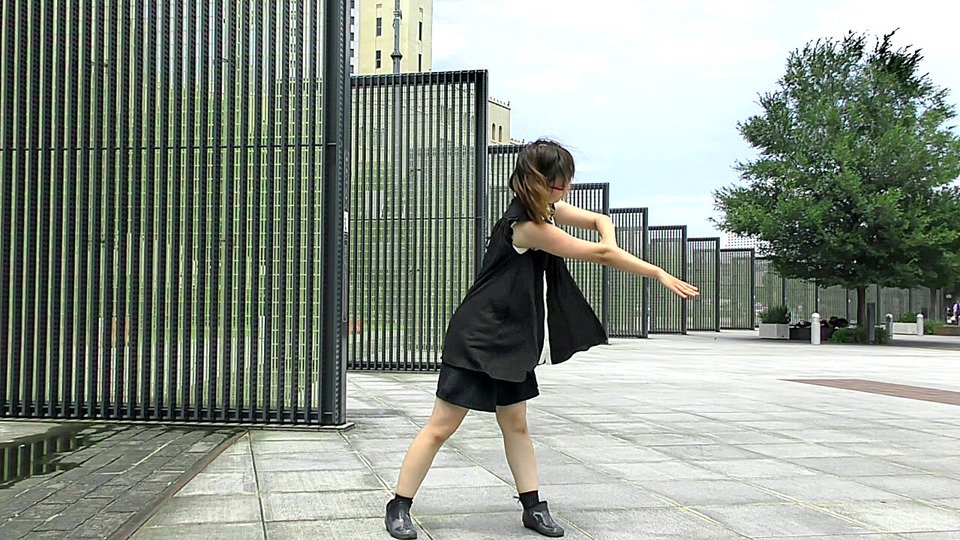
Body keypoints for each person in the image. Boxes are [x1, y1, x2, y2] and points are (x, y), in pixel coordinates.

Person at [384, 139, 699, 539]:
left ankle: (532, 507)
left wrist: (608, 237)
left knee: (515, 424)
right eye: (559, 181)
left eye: (566, 181)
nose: (565, 188)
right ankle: (399, 505)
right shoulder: (528, 226)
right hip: (478, 336)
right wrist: (656, 272)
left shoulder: (547, 210)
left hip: (513, 337)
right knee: (441, 426)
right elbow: (600, 254)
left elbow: (600, 219)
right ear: (539, 181)